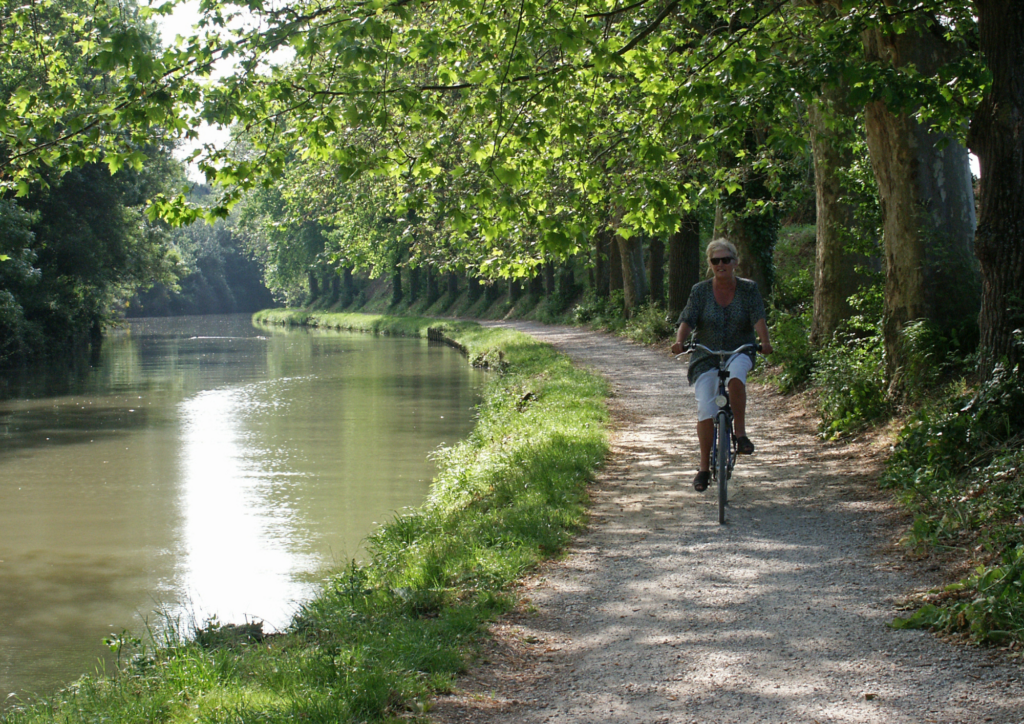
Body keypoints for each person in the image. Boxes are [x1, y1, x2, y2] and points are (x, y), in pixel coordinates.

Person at [670, 238, 773, 492]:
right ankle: (704, 468)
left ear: (735, 262)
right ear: (710, 264)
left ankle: (740, 434)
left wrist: (764, 342)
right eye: (715, 261)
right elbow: (688, 318)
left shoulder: (748, 290)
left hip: (739, 350)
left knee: (736, 378)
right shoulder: (700, 291)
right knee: (705, 408)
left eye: (726, 259)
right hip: (706, 354)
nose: (721, 264)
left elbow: (758, 318)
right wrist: (680, 341)